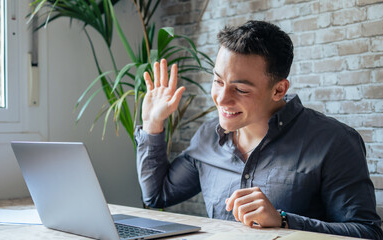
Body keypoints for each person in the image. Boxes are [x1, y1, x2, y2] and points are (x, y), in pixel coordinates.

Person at [134, 20, 383, 239]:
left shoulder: (334, 142)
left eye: (240, 89)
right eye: (218, 81)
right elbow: (157, 196)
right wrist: (152, 124)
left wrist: (284, 221)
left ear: (279, 90)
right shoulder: (208, 137)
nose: (221, 98)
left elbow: (367, 233)